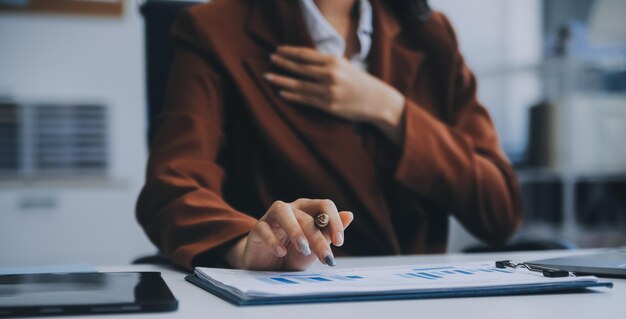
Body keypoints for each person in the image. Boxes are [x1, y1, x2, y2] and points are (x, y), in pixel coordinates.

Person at [136, 0, 522, 271]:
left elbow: (501, 209)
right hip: (290, 310)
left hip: (422, 312)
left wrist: (391, 110)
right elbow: (172, 189)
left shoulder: (431, 35)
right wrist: (248, 249)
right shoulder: (216, 29)